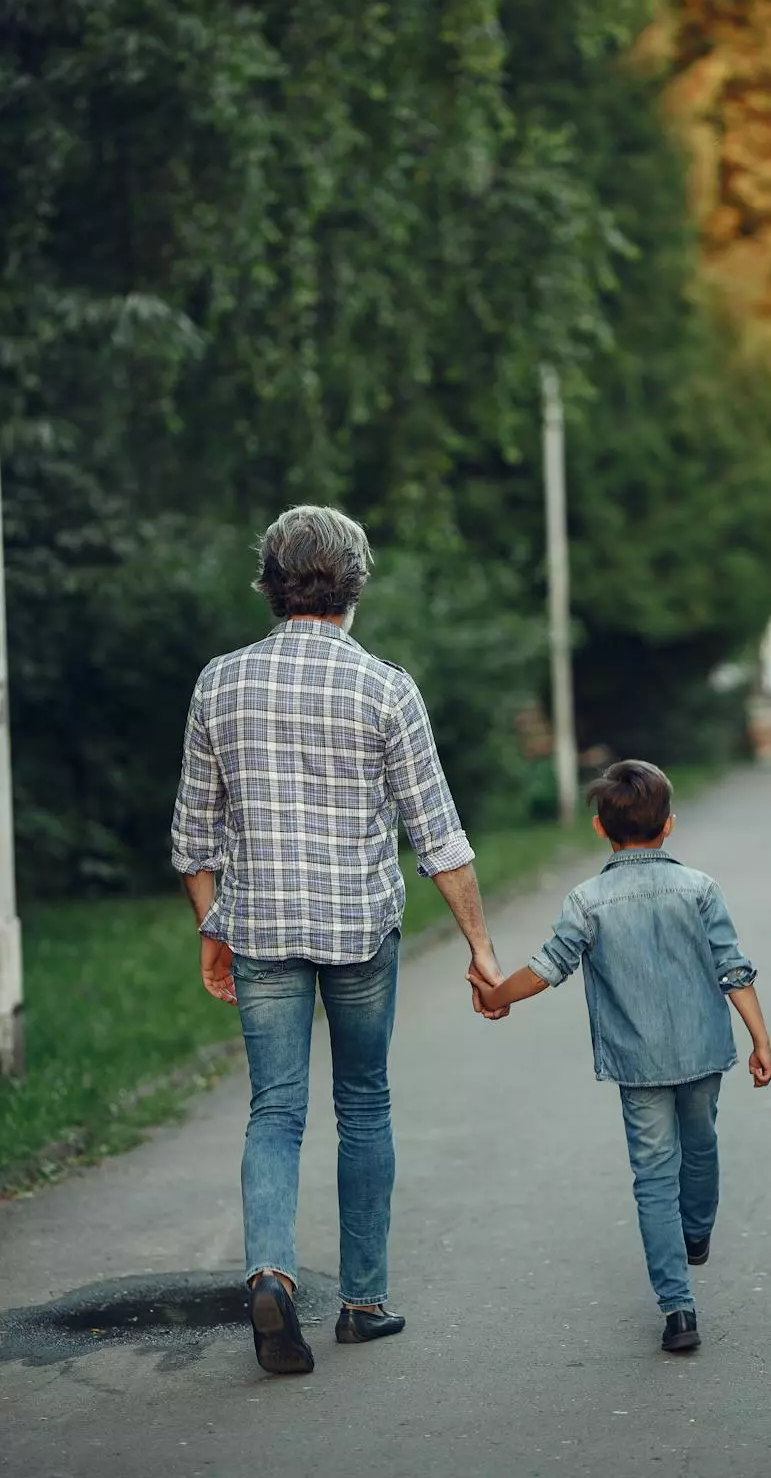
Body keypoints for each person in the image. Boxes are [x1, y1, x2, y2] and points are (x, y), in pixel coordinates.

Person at [171, 504, 507, 1376]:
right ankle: (361, 1303)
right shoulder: (384, 687)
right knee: (364, 1103)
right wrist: (480, 947)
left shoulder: (220, 683)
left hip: (261, 928)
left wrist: (213, 929)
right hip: (360, 930)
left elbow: (192, 838)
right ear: (353, 587)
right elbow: (439, 835)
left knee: (274, 1110)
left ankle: (272, 1274)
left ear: (270, 586)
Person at [466, 759, 771, 1354]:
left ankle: (678, 1310)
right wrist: (760, 1038)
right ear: (670, 826)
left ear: (598, 828)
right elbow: (732, 969)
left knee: (654, 1178)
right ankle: (698, 1231)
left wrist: (495, 995)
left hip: (637, 1065)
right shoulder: (700, 890)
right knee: (702, 1144)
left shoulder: (588, 901)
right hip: (704, 1051)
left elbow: (547, 968)